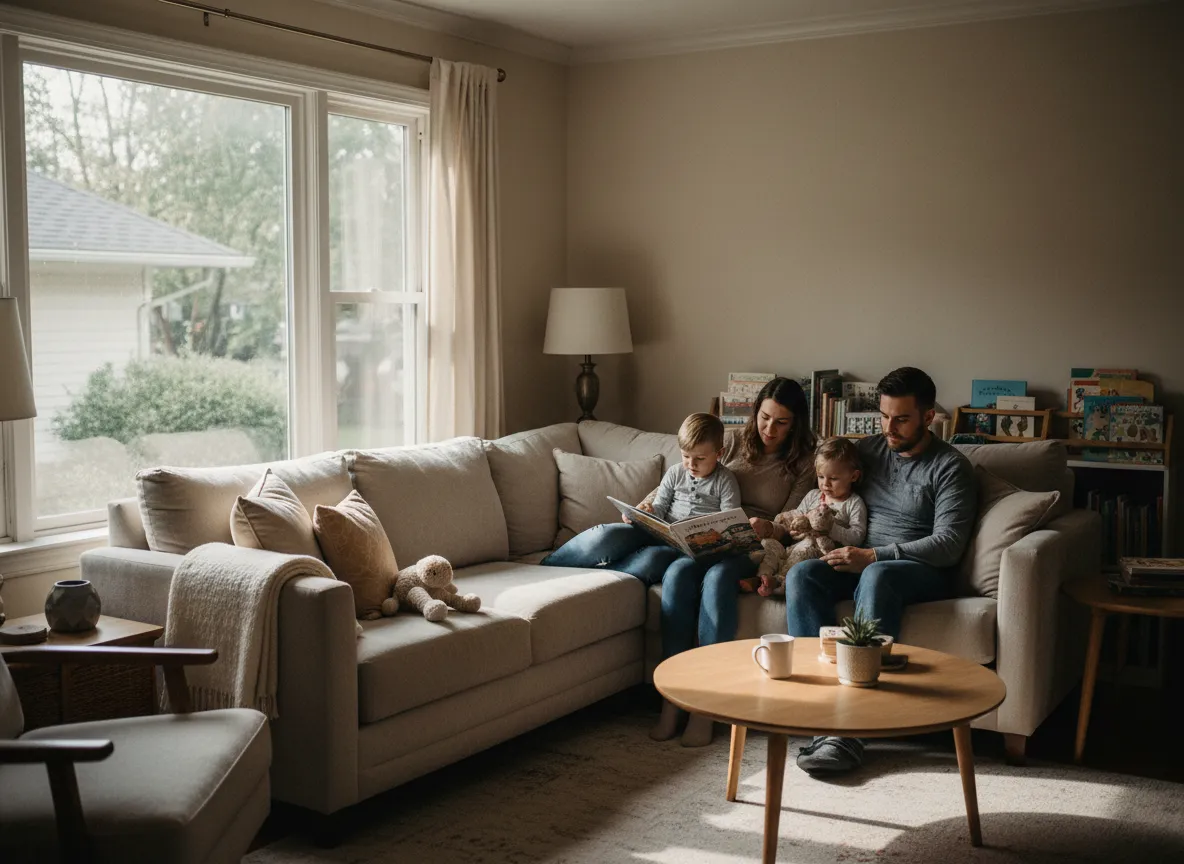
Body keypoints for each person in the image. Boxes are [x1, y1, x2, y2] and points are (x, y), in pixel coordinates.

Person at [543, 377, 817, 747]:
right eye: (765, 417)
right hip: (692, 539)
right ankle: (672, 699)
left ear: (796, 423)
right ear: (756, 413)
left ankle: (707, 706)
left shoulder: (802, 462)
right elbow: (680, 476)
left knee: (718, 580)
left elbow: (793, 520)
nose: (770, 429)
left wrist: (769, 525)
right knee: (677, 572)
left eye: (781, 422)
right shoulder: (731, 439)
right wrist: (646, 506)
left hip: (748, 545)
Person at [761, 366, 976, 776]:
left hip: (916, 568)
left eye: (901, 419)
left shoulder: (950, 468)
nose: (888, 429)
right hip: (857, 558)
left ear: (929, 417)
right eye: (883, 416)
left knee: (878, 575)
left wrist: (875, 556)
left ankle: (851, 728)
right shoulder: (869, 452)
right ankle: (820, 712)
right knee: (804, 574)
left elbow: (948, 545)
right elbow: (825, 477)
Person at [541, 413, 739, 580]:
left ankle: (600, 574)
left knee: (652, 561)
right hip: (659, 532)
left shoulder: (725, 480)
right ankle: (547, 565)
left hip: (687, 549)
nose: (691, 464)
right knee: (605, 534)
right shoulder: (676, 472)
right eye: (685, 456)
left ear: (719, 453)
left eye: (700, 459)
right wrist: (646, 512)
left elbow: (729, 522)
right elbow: (660, 505)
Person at [741, 436, 867, 596]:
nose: (825, 484)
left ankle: (779, 583)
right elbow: (797, 516)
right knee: (769, 545)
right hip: (793, 547)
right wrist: (790, 525)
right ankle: (762, 577)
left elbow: (857, 537)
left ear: (854, 476)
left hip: (821, 552)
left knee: (804, 552)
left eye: (833, 479)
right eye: (821, 477)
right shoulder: (814, 495)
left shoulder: (854, 503)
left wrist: (828, 528)